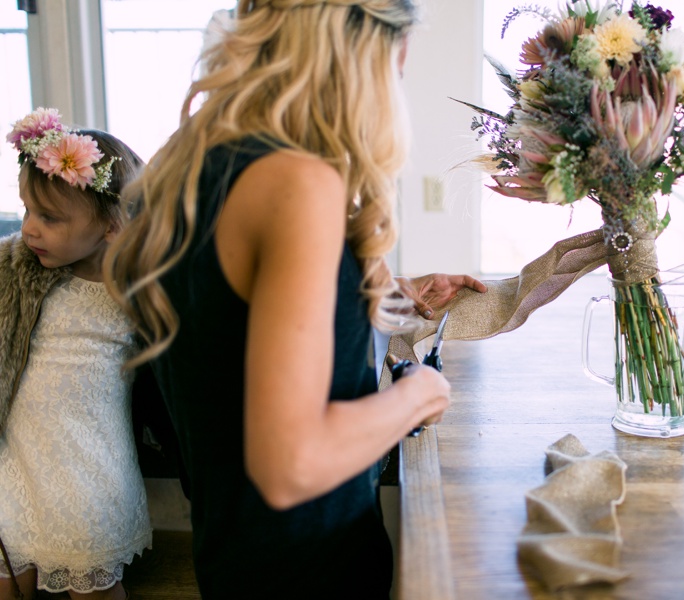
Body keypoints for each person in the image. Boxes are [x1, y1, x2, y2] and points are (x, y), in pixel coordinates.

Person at [103, 1, 485, 598]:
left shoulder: (193, 155)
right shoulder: (299, 183)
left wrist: (393, 301)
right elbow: (292, 465)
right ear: (370, 51)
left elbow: (237, 331)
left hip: (232, 556)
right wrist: (418, 395)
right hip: (310, 569)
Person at [0, 108, 150, 600]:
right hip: (18, 457)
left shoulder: (137, 287)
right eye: (25, 210)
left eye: (49, 217)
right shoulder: (17, 268)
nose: (30, 230)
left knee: (90, 582)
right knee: (11, 576)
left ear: (110, 225)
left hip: (89, 465)